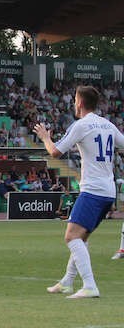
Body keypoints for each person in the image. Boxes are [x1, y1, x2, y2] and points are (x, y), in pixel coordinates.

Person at [33, 85, 124, 298]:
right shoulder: (108, 124)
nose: (74, 103)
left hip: (92, 190)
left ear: (80, 103)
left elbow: (55, 152)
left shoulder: (81, 125)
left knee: (71, 237)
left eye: (75, 100)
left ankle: (90, 285)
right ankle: (67, 281)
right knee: (81, 237)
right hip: (108, 191)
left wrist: (45, 137)